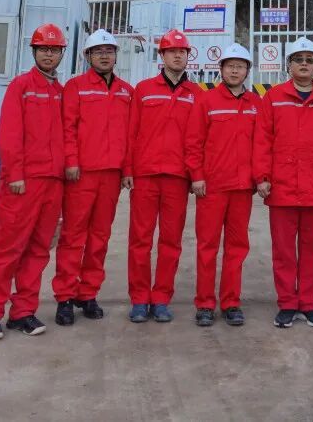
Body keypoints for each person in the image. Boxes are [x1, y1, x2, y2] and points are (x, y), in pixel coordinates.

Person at [0, 23, 68, 340]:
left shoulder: (60, 92)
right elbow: (10, 133)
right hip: (24, 183)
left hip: (53, 182)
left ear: (61, 54)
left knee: (39, 250)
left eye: (54, 50)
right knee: (9, 249)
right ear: (34, 52)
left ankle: (23, 312)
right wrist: (14, 174)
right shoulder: (21, 86)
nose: (48, 55)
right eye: (43, 49)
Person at [253, 36, 313, 329]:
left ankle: (307, 304)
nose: (304, 64)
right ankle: (287, 303)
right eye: (298, 60)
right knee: (283, 251)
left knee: (312, 250)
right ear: (289, 65)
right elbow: (262, 139)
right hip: (282, 186)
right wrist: (262, 177)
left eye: (310, 60)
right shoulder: (273, 97)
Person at [52, 29, 134, 326]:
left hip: (111, 175)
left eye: (109, 51)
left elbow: (130, 135)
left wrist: (127, 170)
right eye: (98, 51)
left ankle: (87, 293)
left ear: (116, 56)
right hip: (82, 174)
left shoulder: (126, 91)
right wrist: (71, 161)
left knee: (100, 237)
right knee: (73, 236)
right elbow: (68, 128)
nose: (104, 56)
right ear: (88, 56)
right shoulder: (75, 87)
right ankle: (64, 296)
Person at [124, 29, 202, 323]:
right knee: (140, 240)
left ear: (187, 56)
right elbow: (131, 132)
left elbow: (199, 139)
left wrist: (195, 174)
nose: (178, 56)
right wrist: (128, 169)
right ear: (162, 55)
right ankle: (139, 299)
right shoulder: (144, 90)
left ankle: (161, 298)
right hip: (145, 176)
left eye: (182, 52)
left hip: (177, 178)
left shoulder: (196, 95)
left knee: (171, 241)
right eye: (172, 51)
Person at [185, 43, 260, 327]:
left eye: (240, 66)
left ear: (247, 71)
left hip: (242, 188)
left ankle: (231, 302)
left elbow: (262, 144)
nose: (234, 71)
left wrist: (259, 177)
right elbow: (193, 142)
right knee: (207, 246)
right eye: (230, 66)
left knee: (237, 247)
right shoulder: (206, 101)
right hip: (212, 187)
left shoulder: (255, 104)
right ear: (221, 69)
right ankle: (205, 303)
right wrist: (197, 176)